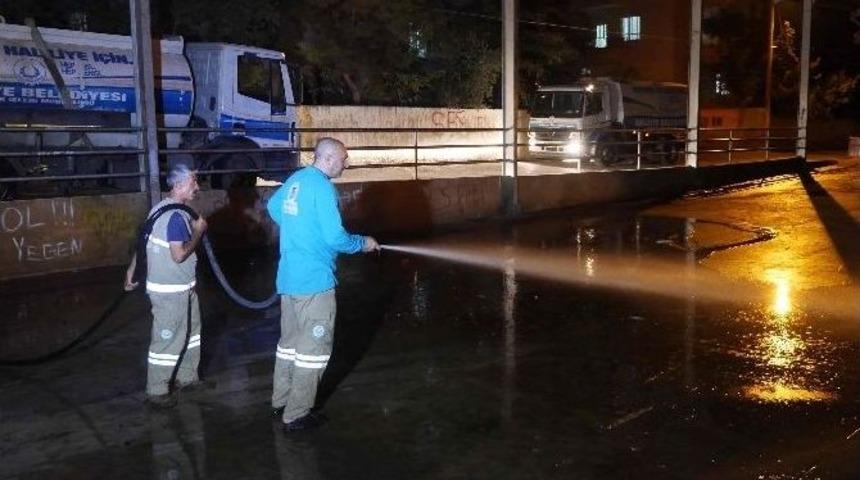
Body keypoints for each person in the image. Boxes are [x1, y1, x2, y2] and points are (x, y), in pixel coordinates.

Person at [267, 137, 379, 432]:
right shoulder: (323, 187)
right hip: (314, 282)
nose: (347, 163)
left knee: (289, 344)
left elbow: (273, 207)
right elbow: (335, 238)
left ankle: (280, 401)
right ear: (328, 158)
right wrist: (363, 243)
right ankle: (297, 413)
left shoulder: (297, 178)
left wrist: (300, 229)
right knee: (312, 350)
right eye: (343, 158)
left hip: (289, 279)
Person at [124, 164, 207, 408]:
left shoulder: (159, 208)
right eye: (194, 182)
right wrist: (199, 232)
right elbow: (179, 255)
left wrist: (130, 271)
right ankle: (157, 391)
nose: (197, 187)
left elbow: (143, 242)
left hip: (183, 287)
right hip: (170, 291)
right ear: (180, 185)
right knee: (167, 340)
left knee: (191, 333)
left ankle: (187, 377)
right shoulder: (175, 217)